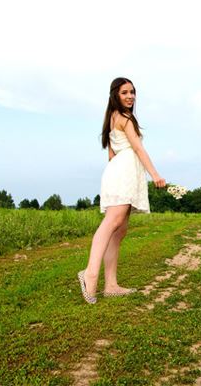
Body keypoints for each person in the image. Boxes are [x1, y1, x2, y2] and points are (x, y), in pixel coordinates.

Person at [77, 77, 166, 304]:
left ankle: (111, 285)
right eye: (125, 92)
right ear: (115, 95)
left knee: (120, 230)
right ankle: (90, 274)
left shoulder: (112, 118)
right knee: (111, 223)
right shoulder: (124, 118)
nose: (130, 96)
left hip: (120, 172)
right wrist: (155, 174)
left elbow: (111, 155)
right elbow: (138, 148)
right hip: (122, 174)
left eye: (132, 92)